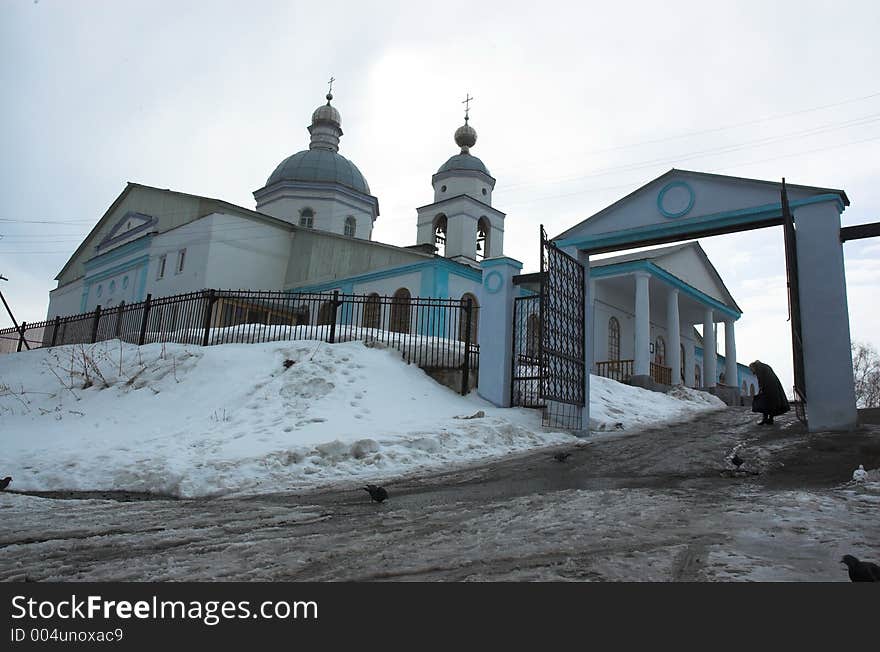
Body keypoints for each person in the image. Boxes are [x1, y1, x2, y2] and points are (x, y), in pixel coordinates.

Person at [748, 360, 790, 425]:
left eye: (751, 370)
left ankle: (766, 419)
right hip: (773, 387)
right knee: (770, 404)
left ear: (753, 367)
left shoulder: (759, 368)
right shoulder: (764, 366)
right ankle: (769, 419)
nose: (752, 372)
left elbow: (760, 379)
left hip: (769, 387)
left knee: (766, 403)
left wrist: (761, 388)